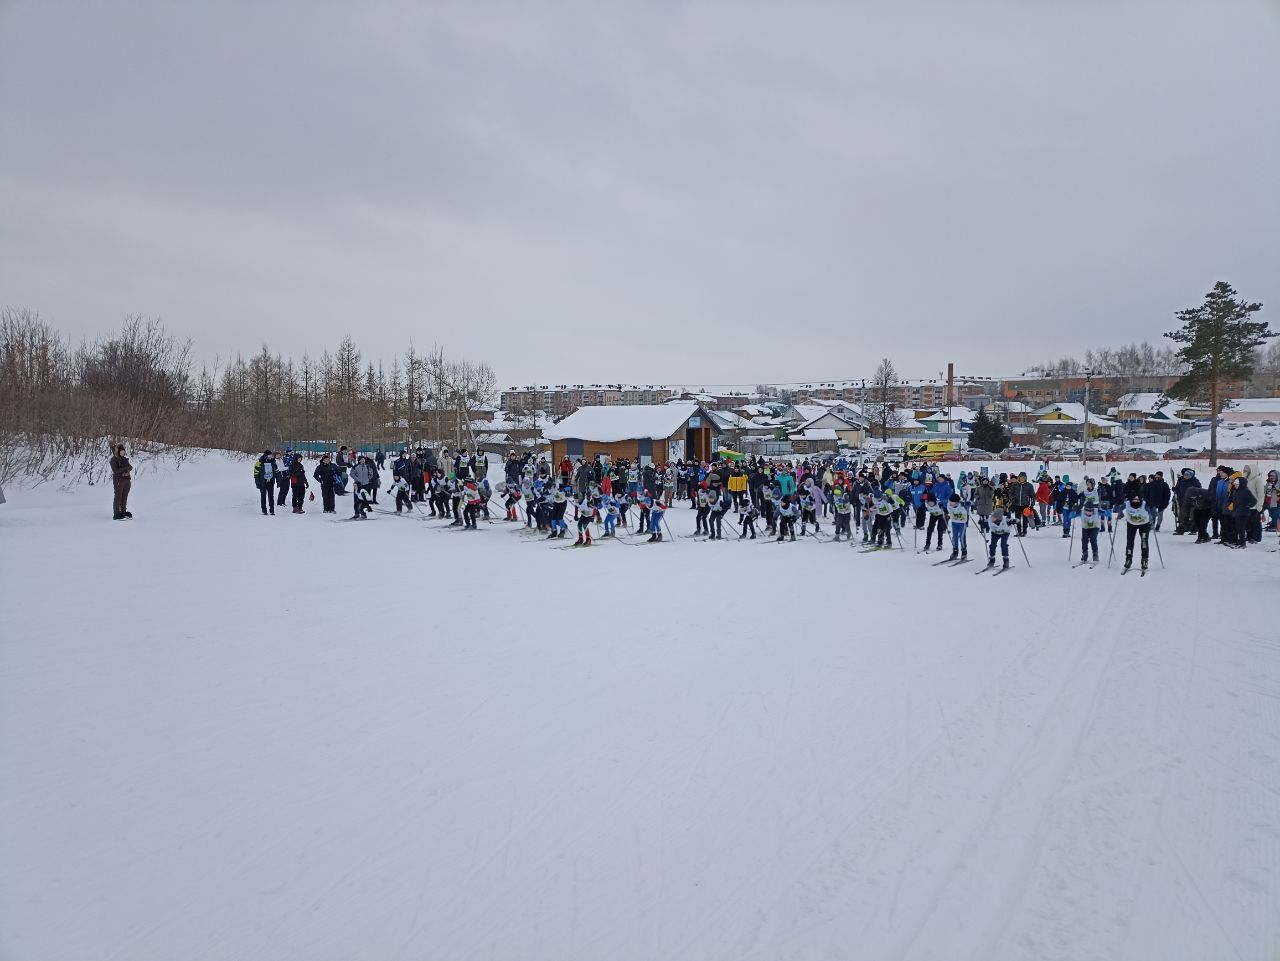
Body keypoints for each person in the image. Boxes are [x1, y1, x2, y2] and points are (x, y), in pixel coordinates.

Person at [1122, 495, 1152, 572]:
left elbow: (1153, 511)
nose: (1136, 502)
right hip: (1131, 524)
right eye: (1134, 500)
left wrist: (1152, 514)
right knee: (1129, 542)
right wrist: (1120, 513)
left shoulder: (1145, 504)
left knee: (1144, 542)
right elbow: (1118, 509)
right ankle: (1128, 559)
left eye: (1137, 500)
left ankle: (1144, 560)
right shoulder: (1127, 503)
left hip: (1144, 524)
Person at [110, 444, 133, 520]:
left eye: (124, 451)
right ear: (118, 451)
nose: (123, 452)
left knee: (124, 497)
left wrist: (126, 470)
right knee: (118, 497)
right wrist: (125, 469)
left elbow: (130, 467)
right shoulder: (113, 460)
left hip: (127, 480)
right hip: (118, 480)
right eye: (121, 451)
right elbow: (116, 470)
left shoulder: (124, 459)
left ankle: (123, 512)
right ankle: (116, 513)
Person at [253, 449, 278, 516]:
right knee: (263, 496)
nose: (270, 457)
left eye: (271, 455)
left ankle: (272, 510)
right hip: (262, 482)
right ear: (265, 455)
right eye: (269, 455)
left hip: (270, 482)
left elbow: (277, 472)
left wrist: (278, 481)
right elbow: (256, 474)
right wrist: (257, 483)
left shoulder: (273, 462)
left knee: (271, 497)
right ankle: (264, 510)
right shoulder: (259, 462)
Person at [946, 493, 968, 560]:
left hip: (962, 524)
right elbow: (946, 507)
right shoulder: (949, 505)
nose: (952, 504)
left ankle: (964, 552)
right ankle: (955, 552)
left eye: (954, 502)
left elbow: (970, 504)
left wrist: (967, 504)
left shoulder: (961, 506)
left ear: (957, 502)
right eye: (951, 502)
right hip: (954, 523)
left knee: (961, 538)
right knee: (954, 538)